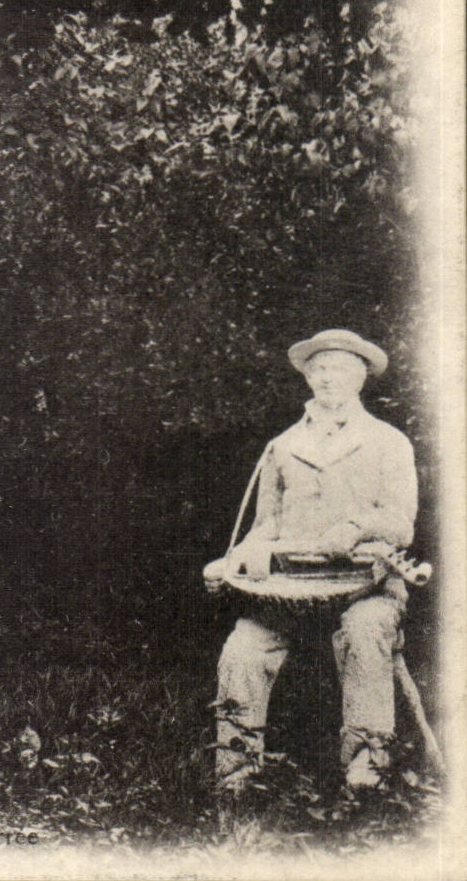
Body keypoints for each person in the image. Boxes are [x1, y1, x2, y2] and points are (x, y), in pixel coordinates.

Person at [205, 330, 418, 791]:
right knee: (241, 650)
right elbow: (265, 525)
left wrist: (358, 527)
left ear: (360, 378)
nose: (327, 379)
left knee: (365, 631)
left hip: (366, 585)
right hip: (290, 590)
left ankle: (367, 769)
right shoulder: (281, 446)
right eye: (318, 369)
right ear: (307, 377)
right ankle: (236, 771)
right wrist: (240, 558)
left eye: (338, 369)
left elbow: (402, 523)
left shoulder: (388, 442)